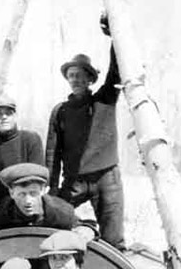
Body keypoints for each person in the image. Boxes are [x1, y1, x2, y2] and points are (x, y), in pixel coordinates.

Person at [45, 15, 126, 252]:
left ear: (90, 79)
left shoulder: (104, 100)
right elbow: (52, 154)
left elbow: (117, 70)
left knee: (114, 239)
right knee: (53, 216)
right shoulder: (60, 111)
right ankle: (88, 233)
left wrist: (115, 34)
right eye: (72, 75)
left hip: (106, 178)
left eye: (81, 75)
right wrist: (51, 190)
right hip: (74, 181)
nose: (76, 79)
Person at [0, 163, 97, 250]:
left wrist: (88, 230)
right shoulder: (0, 214)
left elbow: (84, 226)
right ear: (11, 193)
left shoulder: (60, 211)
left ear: (43, 191)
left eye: (33, 193)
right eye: (22, 194)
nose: (28, 201)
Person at [0, 95, 44, 221]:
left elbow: (39, 178)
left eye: (8, 113)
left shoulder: (31, 140)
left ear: (15, 116)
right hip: (5, 210)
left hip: (32, 205)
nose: (4, 117)